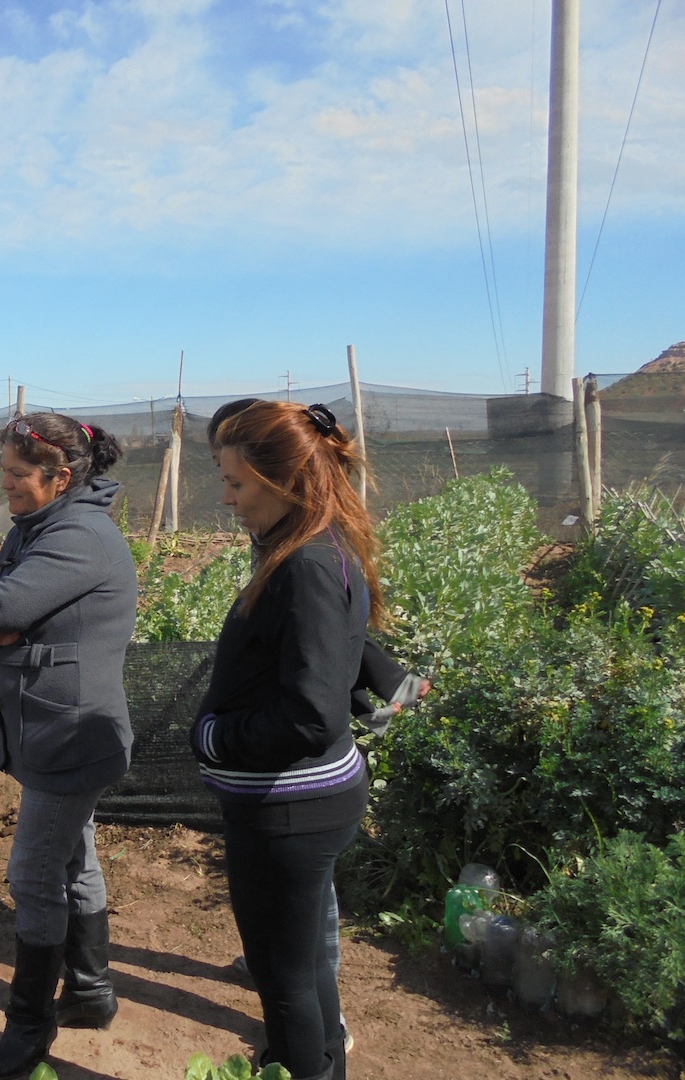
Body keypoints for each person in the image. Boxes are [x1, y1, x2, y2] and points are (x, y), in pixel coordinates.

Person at [209, 399, 430, 1053]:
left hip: (289, 810)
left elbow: (310, 715)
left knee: (286, 986)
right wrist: (392, 697)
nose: (226, 498)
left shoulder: (303, 564)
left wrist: (215, 738)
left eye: (236, 482)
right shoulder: (314, 545)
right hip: (304, 804)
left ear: (285, 481)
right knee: (304, 973)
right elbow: (335, 665)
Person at [0, 413, 138, 1080]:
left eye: (15, 473)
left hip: (71, 732)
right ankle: (91, 992)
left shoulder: (78, 536)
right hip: (54, 722)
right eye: (2, 470)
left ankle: (28, 1028)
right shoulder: (40, 527)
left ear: (60, 477)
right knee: (75, 857)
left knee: (32, 873)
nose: (2, 483)